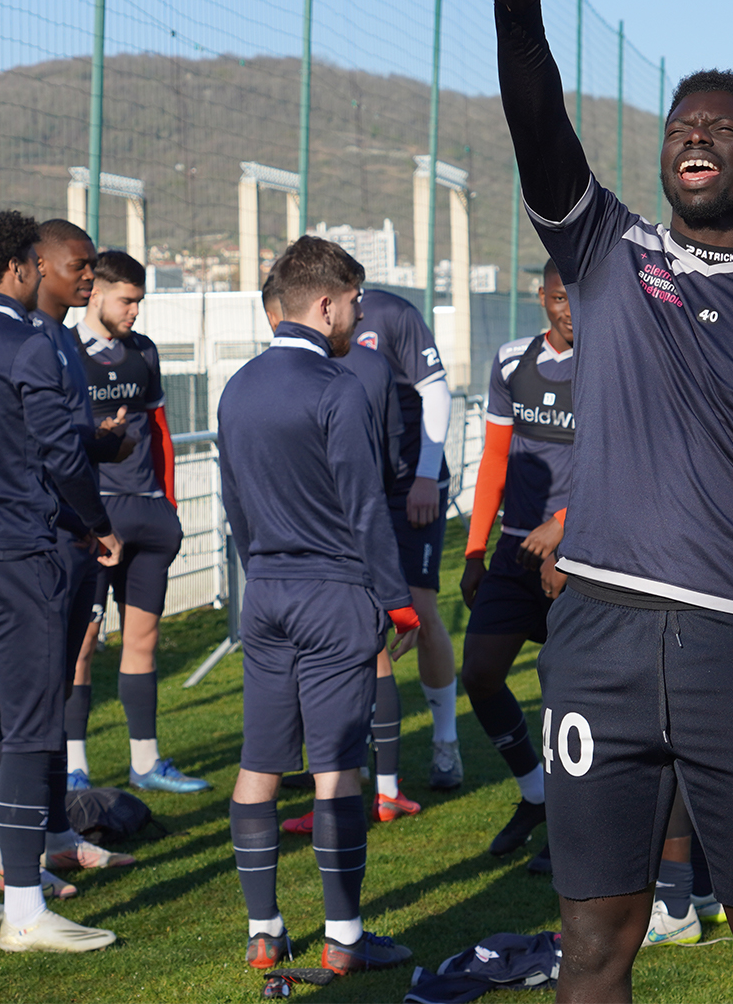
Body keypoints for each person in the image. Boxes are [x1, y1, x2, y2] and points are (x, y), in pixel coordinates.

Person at [458, 0, 733, 1003]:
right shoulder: (608, 250)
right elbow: (539, 132)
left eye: (722, 127)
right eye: (682, 123)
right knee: (593, 945)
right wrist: (518, 10)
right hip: (595, 636)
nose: (695, 134)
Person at [219, 236, 419, 977]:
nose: (360, 318)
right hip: (333, 594)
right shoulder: (341, 387)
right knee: (336, 769)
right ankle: (344, 938)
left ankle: (264, 933)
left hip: (266, 593)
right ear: (327, 304)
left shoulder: (236, 388)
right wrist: (397, 603)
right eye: (356, 302)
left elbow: (236, 507)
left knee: (259, 766)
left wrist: (264, 576)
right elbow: (365, 507)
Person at [0, 210, 124, 955]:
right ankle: (23, 911)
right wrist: (98, 524)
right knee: (28, 733)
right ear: (18, 268)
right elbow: (59, 454)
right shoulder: (29, 343)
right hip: (17, 557)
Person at [261, 274, 424, 830]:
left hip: (311, 549)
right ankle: (385, 788)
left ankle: (334, 791)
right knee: (372, 657)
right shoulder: (372, 367)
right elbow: (395, 457)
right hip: (364, 531)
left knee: (316, 666)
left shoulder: (274, 379)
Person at [71, 251, 209, 793]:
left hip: (147, 513)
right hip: (93, 519)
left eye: (139, 302)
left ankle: (146, 763)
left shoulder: (144, 351)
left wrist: (168, 505)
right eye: (127, 300)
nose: (134, 311)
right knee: (81, 644)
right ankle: (74, 767)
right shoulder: (63, 351)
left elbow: (161, 433)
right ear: (96, 293)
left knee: (143, 639)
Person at [458, 259, 574, 872]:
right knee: (479, 673)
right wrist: (474, 551)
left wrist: (565, 528)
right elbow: (495, 461)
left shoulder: (610, 364)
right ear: (541, 298)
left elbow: (621, 465)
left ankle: (573, 828)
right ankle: (535, 794)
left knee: (567, 696)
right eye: (558, 298)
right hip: (512, 552)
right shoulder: (510, 363)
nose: (569, 310)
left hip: (580, 557)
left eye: (577, 297)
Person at [353, 289, 463, 790]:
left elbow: (436, 391)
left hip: (411, 486)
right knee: (359, 613)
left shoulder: (392, 313)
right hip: (360, 486)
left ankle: (446, 744)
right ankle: (356, 750)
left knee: (420, 607)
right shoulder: (313, 318)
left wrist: (424, 475)